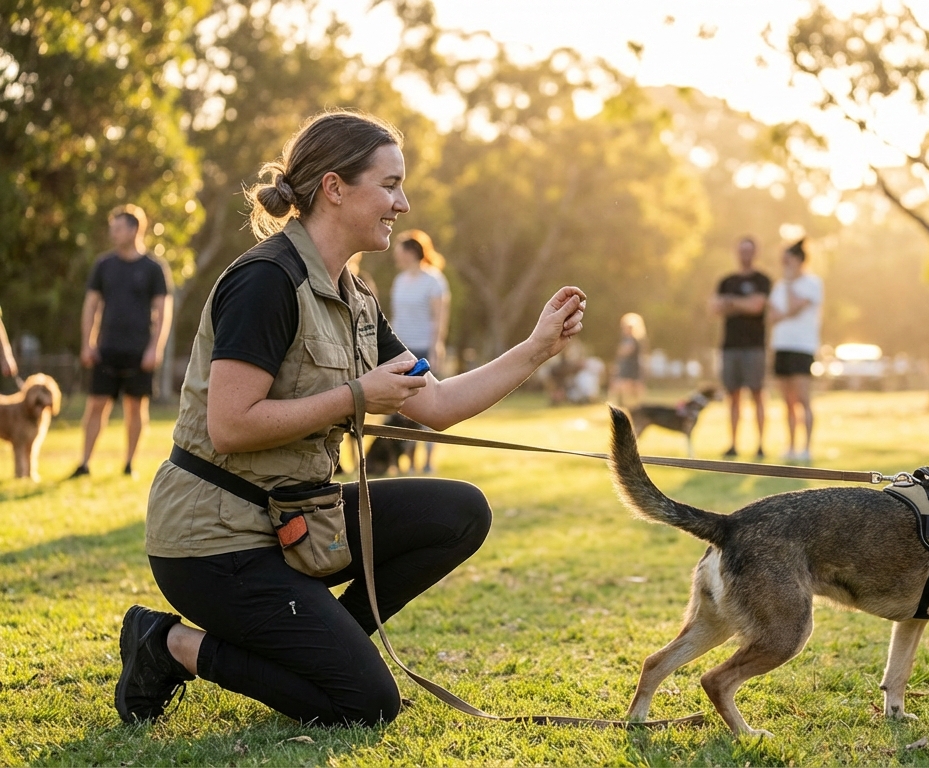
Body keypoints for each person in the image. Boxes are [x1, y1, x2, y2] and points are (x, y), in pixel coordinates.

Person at [113, 110, 587, 727]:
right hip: (214, 542)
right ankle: (169, 644)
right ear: (335, 188)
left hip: (298, 521)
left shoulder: (355, 297)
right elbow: (230, 424)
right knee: (367, 704)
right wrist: (355, 397)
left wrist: (536, 348)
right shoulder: (266, 281)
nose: (403, 202)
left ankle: (324, 642)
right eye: (389, 185)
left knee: (460, 511)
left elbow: (436, 406)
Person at [71, 204, 173, 478]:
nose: (112, 234)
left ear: (134, 229)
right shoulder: (104, 265)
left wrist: (155, 348)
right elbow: (91, 306)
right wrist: (87, 344)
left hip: (140, 352)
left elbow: (164, 311)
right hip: (107, 349)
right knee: (95, 405)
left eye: (117, 228)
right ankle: (84, 463)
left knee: (136, 407)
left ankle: (129, 464)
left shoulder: (154, 268)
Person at [389, 229, 450, 473]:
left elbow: (440, 318)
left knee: (428, 406)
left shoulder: (434, 280)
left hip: (424, 349)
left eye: (400, 251)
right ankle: (408, 460)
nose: (396, 256)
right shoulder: (399, 281)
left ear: (412, 253)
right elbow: (394, 318)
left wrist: (437, 347)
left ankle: (427, 460)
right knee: (405, 408)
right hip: (403, 349)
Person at [711, 236, 771, 459]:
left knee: (757, 394)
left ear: (755, 253)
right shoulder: (726, 280)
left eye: (749, 250)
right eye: (741, 250)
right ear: (736, 253)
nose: (745, 254)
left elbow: (757, 306)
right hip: (730, 346)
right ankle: (733, 444)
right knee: (733, 396)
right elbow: (714, 307)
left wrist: (731, 303)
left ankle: (760, 445)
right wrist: (741, 303)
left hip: (754, 346)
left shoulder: (762, 280)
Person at [768, 239, 823, 463]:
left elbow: (792, 308)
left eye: (788, 259)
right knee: (787, 401)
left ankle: (806, 447)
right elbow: (772, 316)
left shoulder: (812, 283)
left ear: (799, 260)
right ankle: (790, 445)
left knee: (802, 399)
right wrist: (786, 310)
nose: (785, 264)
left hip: (802, 347)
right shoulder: (779, 285)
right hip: (781, 346)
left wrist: (791, 285)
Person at [608, 312, 646, 408]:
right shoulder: (627, 339)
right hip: (626, 366)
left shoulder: (632, 340)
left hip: (630, 366)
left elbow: (625, 352)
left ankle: (630, 406)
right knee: (624, 386)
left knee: (628, 386)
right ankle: (625, 405)